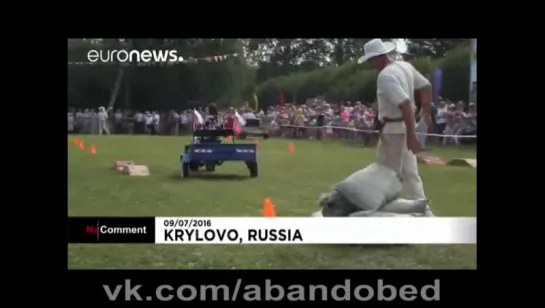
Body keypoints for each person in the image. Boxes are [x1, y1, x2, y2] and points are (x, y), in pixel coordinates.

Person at [358, 39, 434, 216]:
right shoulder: (404, 66)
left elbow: (406, 105)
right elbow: (426, 86)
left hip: (393, 131)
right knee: (411, 175)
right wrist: (426, 111)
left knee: (385, 176)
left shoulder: (385, 76)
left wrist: (412, 135)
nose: (370, 64)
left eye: (370, 59)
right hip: (403, 126)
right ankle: (426, 213)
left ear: (379, 57)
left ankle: (384, 215)